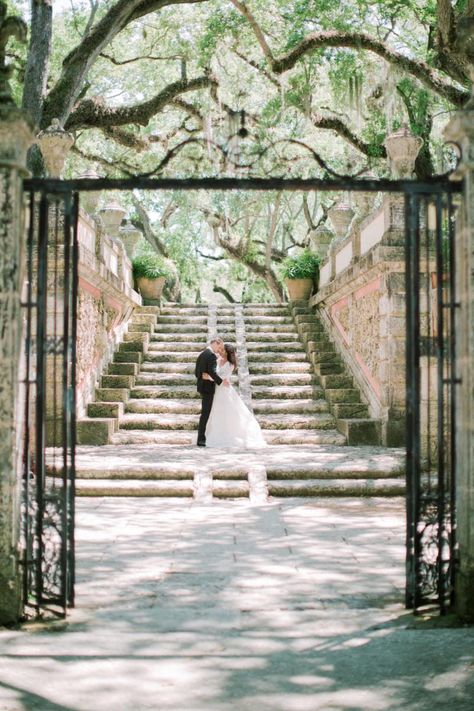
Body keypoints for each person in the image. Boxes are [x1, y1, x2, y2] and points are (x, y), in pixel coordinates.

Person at [203, 343, 267, 449]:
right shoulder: (218, 360)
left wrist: (208, 377)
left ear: (228, 353)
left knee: (226, 412)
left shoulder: (230, 365)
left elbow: (222, 377)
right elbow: (214, 372)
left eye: (223, 350)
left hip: (224, 391)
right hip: (216, 389)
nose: (221, 351)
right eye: (221, 349)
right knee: (214, 411)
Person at [194, 336, 230, 447]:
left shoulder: (202, 354)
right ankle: (201, 439)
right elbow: (214, 373)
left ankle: (202, 437)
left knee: (205, 413)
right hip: (208, 389)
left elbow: (196, 373)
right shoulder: (211, 356)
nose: (219, 350)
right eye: (220, 347)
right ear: (216, 343)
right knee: (205, 413)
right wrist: (221, 382)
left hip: (202, 386)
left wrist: (203, 377)